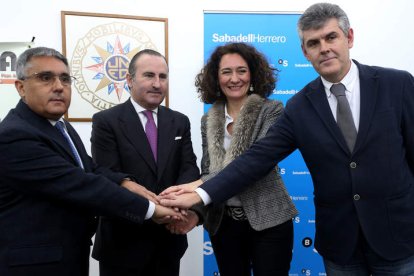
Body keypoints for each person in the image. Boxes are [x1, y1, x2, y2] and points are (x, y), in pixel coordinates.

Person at [160, 3, 414, 275]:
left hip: (397, 234)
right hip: (341, 243)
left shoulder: (397, 85)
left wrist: (198, 189)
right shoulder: (300, 106)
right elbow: (257, 159)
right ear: (305, 52)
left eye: (331, 37)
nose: (324, 48)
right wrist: (201, 194)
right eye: (313, 43)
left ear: (349, 37)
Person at [0, 47, 182, 276]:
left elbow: (89, 167)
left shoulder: (59, 127)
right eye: (45, 78)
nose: (58, 86)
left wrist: (124, 182)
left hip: (67, 254)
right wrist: (151, 209)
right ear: (21, 87)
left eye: (65, 79)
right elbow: (81, 184)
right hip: (35, 263)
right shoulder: (14, 135)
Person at [90, 49, 200, 276]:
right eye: (149, 75)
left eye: (163, 77)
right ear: (130, 80)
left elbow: (189, 166)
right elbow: (105, 173)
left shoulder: (179, 121)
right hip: (123, 243)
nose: (157, 84)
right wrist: (151, 206)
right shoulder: (106, 121)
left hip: (169, 239)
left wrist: (176, 201)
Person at [195, 42, 298, 275]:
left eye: (241, 70)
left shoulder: (272, 110)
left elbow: (253, 164)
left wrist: (194, 188)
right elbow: (207, 168)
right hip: (223, 223)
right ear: (216, 77)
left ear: (252, 74)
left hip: (269, 220)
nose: (234, 78)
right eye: (226, 72)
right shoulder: (208, 120)